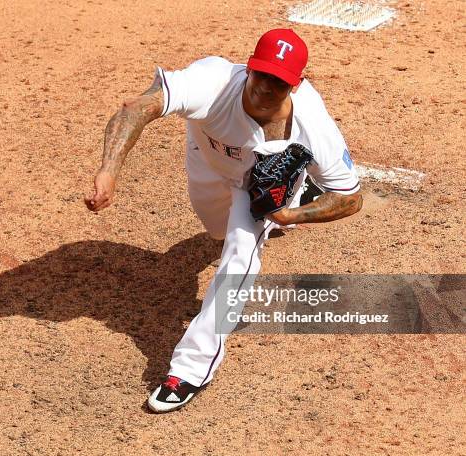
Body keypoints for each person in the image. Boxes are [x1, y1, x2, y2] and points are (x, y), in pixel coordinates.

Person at [85, 29, 363, 413]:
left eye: (279, 82)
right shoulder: (213, 82)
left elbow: (350, 197)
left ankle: (191, 368)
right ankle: (296, 196)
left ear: (295, 85)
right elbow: (136, 107)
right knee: (215, 229)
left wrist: (287, 214)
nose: (266, 87)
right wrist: (109, 170)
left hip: (257, 184)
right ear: (249, 66)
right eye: (262, 74)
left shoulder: (313, 127)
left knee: (239, 253)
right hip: (208, 155)